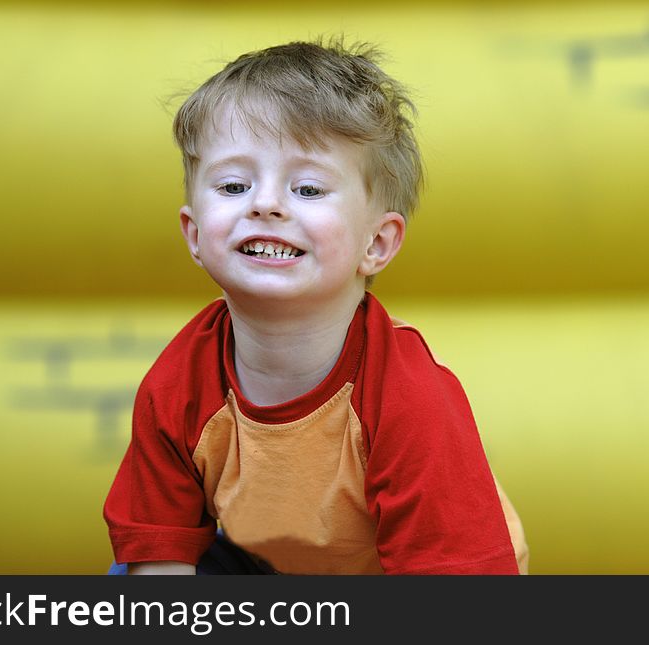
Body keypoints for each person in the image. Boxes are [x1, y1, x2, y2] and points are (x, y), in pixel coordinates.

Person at [104, 38, 528, 575]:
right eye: (234, 184)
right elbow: (157, 549)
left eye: (306, 189)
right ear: (193, 233)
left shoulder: (408, 396)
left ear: (375, 244)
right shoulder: (177, 385)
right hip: (259, 559)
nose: (265, 203)